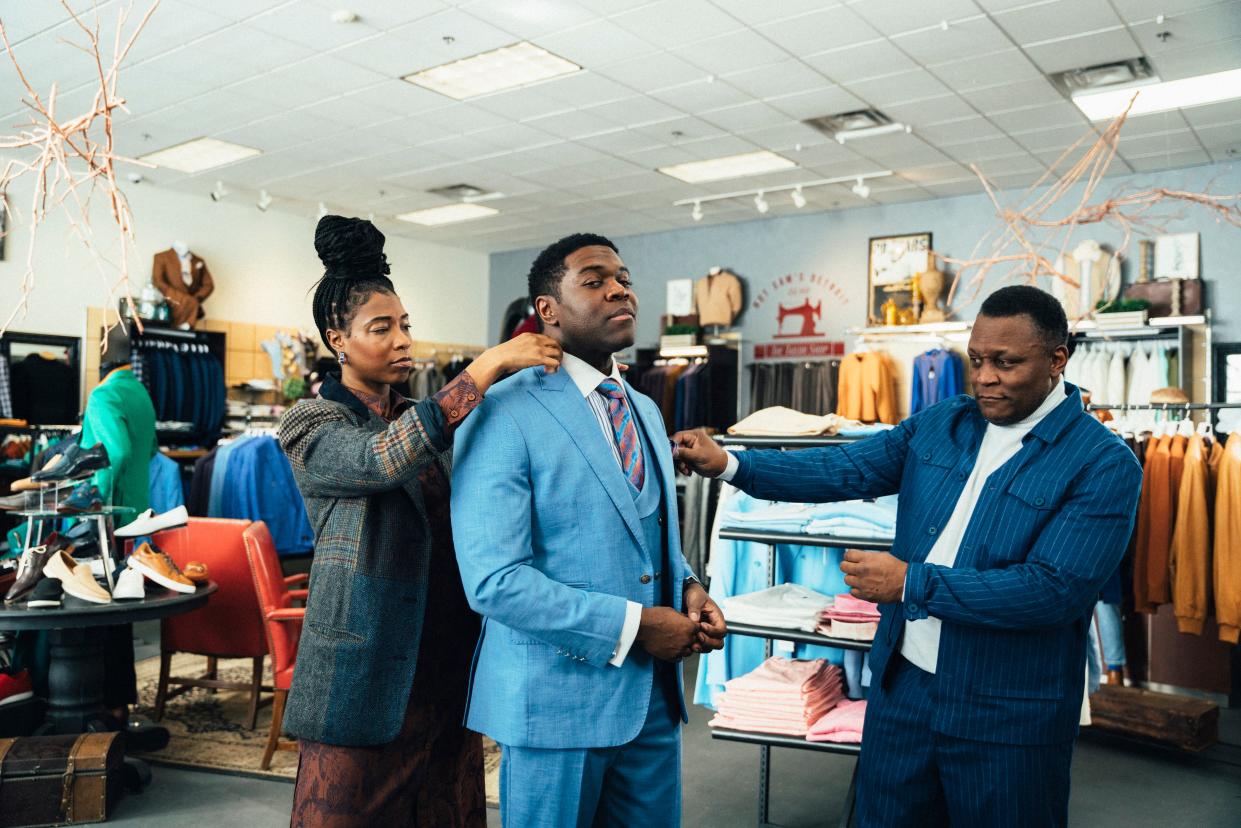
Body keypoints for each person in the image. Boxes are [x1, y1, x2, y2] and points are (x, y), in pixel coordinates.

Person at [673, 285, 1143, 827]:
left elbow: (1053, 591)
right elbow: (845, 469)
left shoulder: (1102, 463)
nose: (985, 377)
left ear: (1057, 359)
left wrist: (912, 585)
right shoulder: (945, 424)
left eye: (1006, 363)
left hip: (1008, 711)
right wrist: (731, 463)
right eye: (977, 360)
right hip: (907, 689)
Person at [277, 215, 563, 827]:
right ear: (337, 339)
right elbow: (381, 460)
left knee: (447, 812)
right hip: (364, 667)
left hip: (445, 655)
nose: (403, 340)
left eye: (405, 324)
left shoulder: (424, 418)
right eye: (381, 328)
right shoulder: (311, 426)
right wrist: (484, 369)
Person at [451, 233, 727, 827]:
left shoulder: (645, 410)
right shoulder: (502, 411)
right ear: (547, 310)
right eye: (595, 280)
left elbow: (647, 533)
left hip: (652, 703)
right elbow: (494, 581)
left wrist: (687, 587)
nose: (619, 288)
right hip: (556, 704)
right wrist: (635, 627)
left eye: (623, 277)